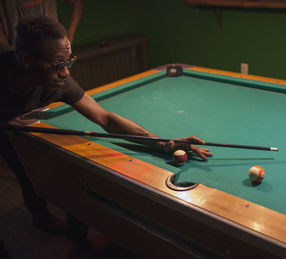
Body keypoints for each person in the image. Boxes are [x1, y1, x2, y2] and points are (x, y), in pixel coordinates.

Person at [0, 16, 213, 238]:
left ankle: (70, 225)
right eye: (58, 66)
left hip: (14, 117)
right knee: (21, 164)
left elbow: (105, 119)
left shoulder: (58, 82)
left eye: (69, 62)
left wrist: (164, 144)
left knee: (28, 161)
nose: (66, 73)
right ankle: (40, 216)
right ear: (26, 60)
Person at [0, 0, 83, 46]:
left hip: (51, 53)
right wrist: (7, 48)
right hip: (18, 59)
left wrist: (69, 37)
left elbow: (76, 1)